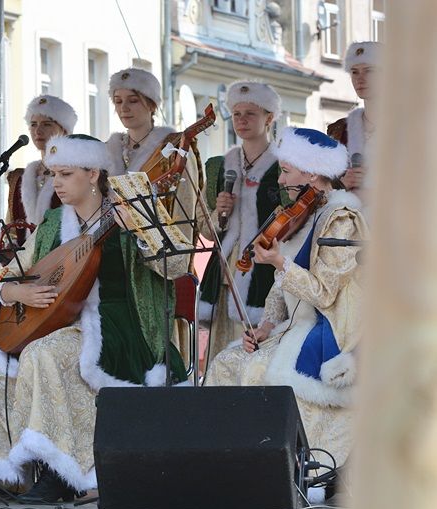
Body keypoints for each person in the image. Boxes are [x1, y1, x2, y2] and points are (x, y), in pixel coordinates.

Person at [0, 134, 193, 502]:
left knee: (44, 355)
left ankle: (62, 473)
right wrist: (16, 293)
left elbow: (179, 265)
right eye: (53, 174)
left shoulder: (132, 211)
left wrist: (140, 229)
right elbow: (9, 274)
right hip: (57, 325)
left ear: (93, 174)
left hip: (121, 327)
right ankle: (3, 474)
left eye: (66, 174)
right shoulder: (53, 222)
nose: (55, 183)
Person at [205, 127, 368, 471]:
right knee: (225, 361)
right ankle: (224, 463)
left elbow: (323, 294)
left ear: (311, 173)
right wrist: (265, 326)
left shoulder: (341, 221)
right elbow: (281, 289)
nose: (279, 181)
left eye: (286, 171)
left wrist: (279, 262)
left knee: (255, 369)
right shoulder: (304, 213)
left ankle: (270, 469)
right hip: (294, 326)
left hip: (331, 331)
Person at [198, 81, 289, 365]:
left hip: (263, 275)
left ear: (269, 118)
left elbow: (292, 223)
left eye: (251, 113)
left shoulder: (284, 167)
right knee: (221, 356)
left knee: (257, 358)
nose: (242, 120)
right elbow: (203, 228)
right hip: (223, 275)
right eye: (237, 114)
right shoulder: (218, 167)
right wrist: (219, 214)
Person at [105, 67, 202, 243]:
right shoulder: (107, 151)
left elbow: (184, 211)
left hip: (157, 252)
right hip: (113, 251)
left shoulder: (174, 148)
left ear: (152, 104)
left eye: (133, 101)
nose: (124, 108)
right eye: (118, 102)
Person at [5, 95, 77, 245]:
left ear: (63, 130)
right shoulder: (20, 177)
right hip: (23, 264)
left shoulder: (76, 172)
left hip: (63, 258)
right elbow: (10, 230)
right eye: (33, 124)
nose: (38, 130)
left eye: (46, 124)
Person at [327, 41, 379, 201]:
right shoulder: (338, 130)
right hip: (346, 222)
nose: (360, 79)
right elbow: (322, 186)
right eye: (354, 72)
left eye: (369, 71)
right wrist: (342, 184)